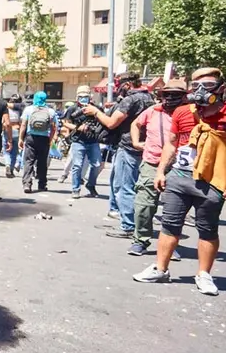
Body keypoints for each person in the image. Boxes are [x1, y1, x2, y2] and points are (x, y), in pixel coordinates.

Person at [134, 68, 226, 296]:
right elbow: (172, 144)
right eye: (196, 86)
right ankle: (161, 268)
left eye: (208, 85)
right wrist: (161, 172)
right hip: (180, 177)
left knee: (207, 229)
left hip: (211, 181)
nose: (201, 91)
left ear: (221, 88)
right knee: (169, 224)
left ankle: (204, 274)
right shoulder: (183, 112)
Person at [86, 73, 155, 239]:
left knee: (125, 187)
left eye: (119, 85)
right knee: (135, 187)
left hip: (129, 146)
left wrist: (95, 112)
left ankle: (129, 226)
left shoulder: (130, 100)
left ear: (128, 84)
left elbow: (111, 123)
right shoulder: (149, 98)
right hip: (143, 146)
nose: (118, 88)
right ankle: (134, 222)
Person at [129, 79, 188, 257]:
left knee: (174, 209)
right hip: (152, 162)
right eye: (166, 94)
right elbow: (136, 124)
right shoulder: (153, 111)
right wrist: (136, 142)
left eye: (175, 95)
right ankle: (140, 240)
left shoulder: (189, 113)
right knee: (144, 204)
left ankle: (168, 245)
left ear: (184, 96)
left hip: (178, 166)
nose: (169, 98)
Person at [61, 85, 104, 199]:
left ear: (90, 97)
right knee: (77, 165)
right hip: (78, 141)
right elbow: (65, 122)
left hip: (93, 140)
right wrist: (77, 127)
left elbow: (103, 120)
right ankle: (76, 189)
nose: (83, 98)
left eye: (86, 96)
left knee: (97, 165)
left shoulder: (96, 108)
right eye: (81, 96)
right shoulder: (73, 109)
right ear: (77, 97)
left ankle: (91, 185)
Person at [19, 91, 57, 193]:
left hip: (31, 137)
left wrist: (21, 138)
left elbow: (23, 125)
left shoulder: (28, 109)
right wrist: (50, 139)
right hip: (44, 138)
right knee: (42, 162)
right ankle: (42, 184)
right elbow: (54, 127)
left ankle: (27, 184)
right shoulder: (51, 111)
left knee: (28, 161)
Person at [4, 93, 25, 177]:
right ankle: (12, 169)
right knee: (14, 152)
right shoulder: (22, 108)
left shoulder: (6, 109)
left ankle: (8, 165)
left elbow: (3, 121)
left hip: (7, 130)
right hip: (17, 130)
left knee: (7, 151)